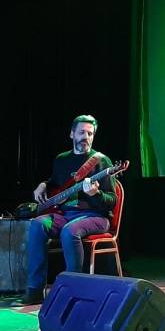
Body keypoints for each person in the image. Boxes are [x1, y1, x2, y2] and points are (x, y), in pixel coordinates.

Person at [20, 115, 118, 306]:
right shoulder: (62, 160)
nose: (86, 137)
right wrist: (43, 184)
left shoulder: (102, 161)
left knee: (70, 231)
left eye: (90, 134)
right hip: (66, 215)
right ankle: (35, 290)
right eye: (81, 132)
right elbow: (57, 184)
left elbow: (111, 201)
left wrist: (96, 194)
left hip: (95, 216)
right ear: (72, 134)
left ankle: (75, 291)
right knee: (38, 224)